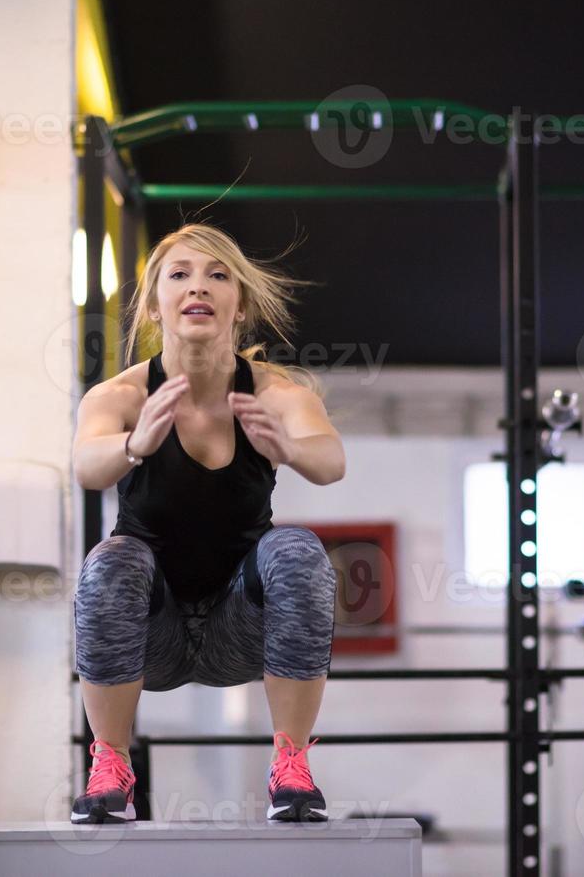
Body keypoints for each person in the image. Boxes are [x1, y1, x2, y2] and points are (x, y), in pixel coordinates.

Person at [69, 222, 345, 824]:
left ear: (238, 302)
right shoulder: (118, 395)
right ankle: (111, 764)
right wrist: (136, 444)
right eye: (181, 274)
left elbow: (331, 462)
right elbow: (87, 465)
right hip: (151, 641)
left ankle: (291, 765)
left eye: (218, 275)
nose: (199, 286)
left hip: (239, 633)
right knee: (110, 561)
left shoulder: (274, 392)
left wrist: (291, 449)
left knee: (296, 548)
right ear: (154, 301)